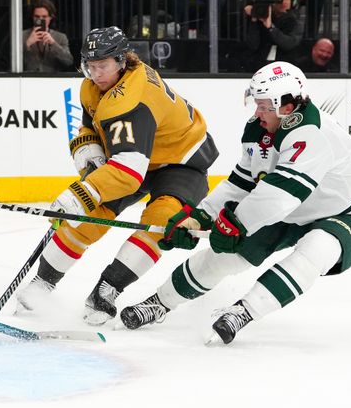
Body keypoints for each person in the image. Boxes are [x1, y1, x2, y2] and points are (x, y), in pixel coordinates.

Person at [121, 62, 351, 344]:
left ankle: (243, 312)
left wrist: (236, 225)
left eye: (263, 106)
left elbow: (281, 194)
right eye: (256, 104)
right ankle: (159, 302)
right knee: (222, 257)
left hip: (350, 212)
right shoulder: (259, 129)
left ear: (286, 106)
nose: (256, 113)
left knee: (316, 250)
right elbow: (242, 183)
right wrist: (200, 217)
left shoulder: (312, 132)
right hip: (292, 211)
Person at [15, 26, 219, 325]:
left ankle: (107, 289)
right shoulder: (97, 86)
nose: (95, 73)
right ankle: (43, 282)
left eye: (102, 66)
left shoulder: (133, 100)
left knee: (160, 224)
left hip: (181, 162)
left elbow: (128, 172)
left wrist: (80, 194)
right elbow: (91, 127)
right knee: (88, 217)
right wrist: (90, 157)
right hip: (137, 158)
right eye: (90, 65)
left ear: (122, 61)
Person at [243, 0, 302, 70]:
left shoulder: (295, 22)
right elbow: (252, 45)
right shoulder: (262, 15)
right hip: (260, 65)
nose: (282, 2)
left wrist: (271, 28)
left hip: (285, 67)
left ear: (292, 1)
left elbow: (289, 43)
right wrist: (254, 19)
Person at [22, 0, 73, 72]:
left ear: (50, 17)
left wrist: (53, 44)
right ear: (32, 17)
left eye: (44, 17)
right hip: (28, 80)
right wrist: (27, 44)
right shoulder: (22, 35)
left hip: (52, 80)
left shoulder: (60, 37)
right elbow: (11, 62)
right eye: (37, 17)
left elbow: (69, 61)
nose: (40, 20)